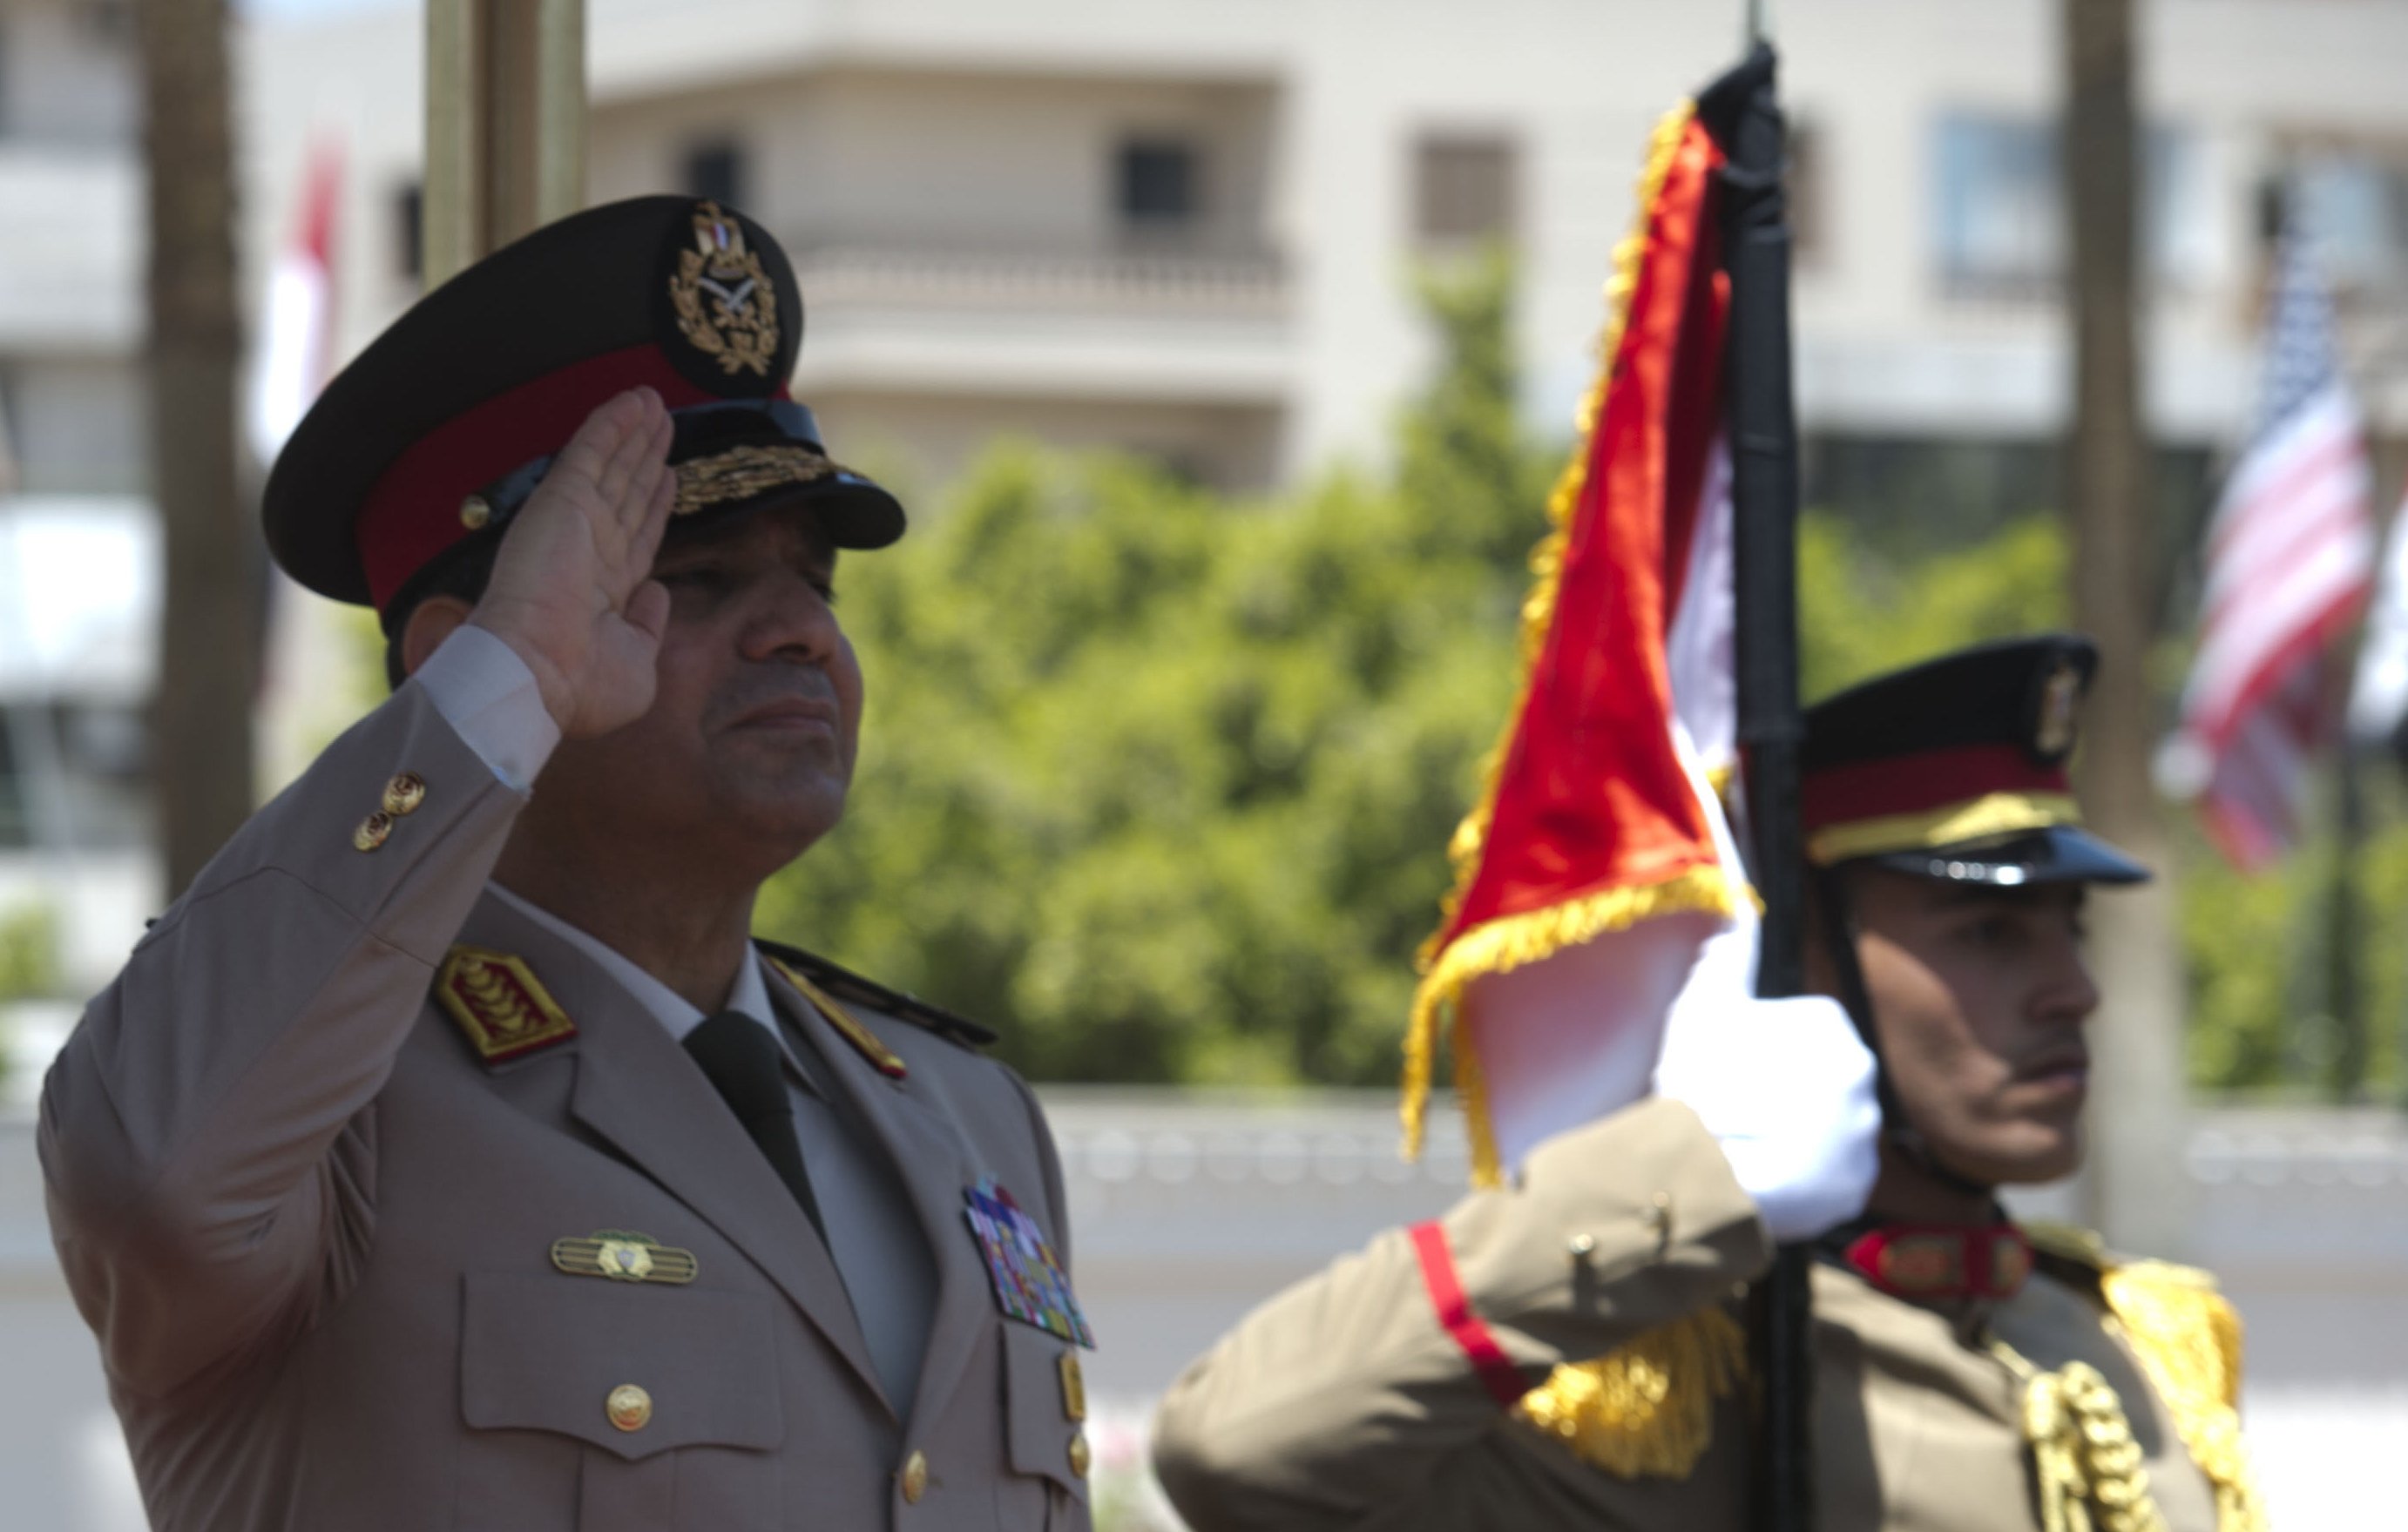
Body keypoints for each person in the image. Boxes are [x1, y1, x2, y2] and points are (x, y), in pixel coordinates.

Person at [40, 198, 1093, 1532]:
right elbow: (147, 1173)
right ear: (453, 655)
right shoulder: (324, 1102)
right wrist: (514, 685)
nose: (800, 634)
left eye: (817, 580)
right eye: (697, 580)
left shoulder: (965, 1114)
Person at [1152, 636, 2264, 1532]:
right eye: (1987, 932)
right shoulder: (1662, 1395)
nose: (2072, 990)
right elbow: (1232, 1452)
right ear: (1804, 961)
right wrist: (1686, 1168)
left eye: (2066, 930)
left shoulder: (2131, 1337)